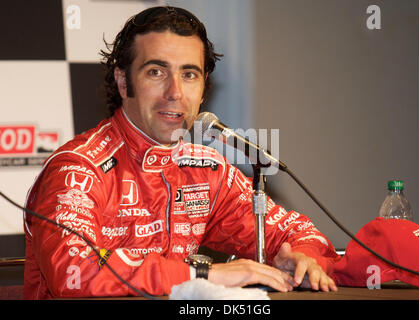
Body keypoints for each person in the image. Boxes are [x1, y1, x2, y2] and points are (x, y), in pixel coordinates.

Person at [23, 6, 339, 299]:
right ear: (123, 82)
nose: (175, 92)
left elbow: (297, 233)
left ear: (203, 89)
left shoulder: (207, 170)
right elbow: (73, 271)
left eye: (189, 75)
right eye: (156, 72)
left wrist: (303, 257)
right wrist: (203, 274)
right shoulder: (79, 169)